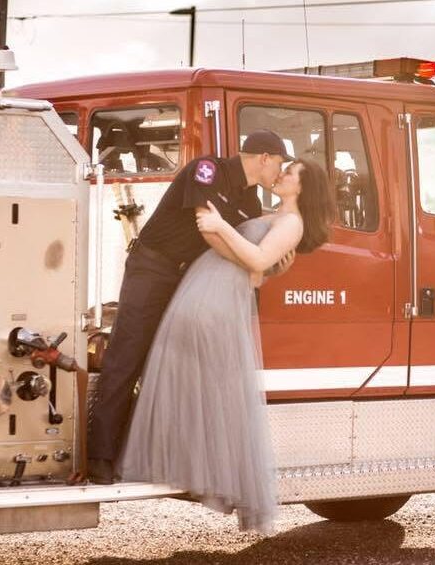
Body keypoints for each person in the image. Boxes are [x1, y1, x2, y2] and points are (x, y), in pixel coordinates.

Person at [117, 158, 335, 533]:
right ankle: (183, 467)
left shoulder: (292, 224)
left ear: (303, 188)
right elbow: (256, 270)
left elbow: (258, 259)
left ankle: (204, 474)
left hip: (215, 301)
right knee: (189, 388)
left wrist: (220, 228)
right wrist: (256, 266)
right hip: (204, 294)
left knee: (210, 396)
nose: (282, 173)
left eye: (291, 172)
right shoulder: (271, 215)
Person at [88, 130, 294, 485]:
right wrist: (254, 263)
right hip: (153, 268)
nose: (279, 171)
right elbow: (210, 232)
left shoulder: (251, 201)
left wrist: (269, 264)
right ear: (264, 157)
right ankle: (99, 456)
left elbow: (242, 248)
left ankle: (150, 457)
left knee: (170, 364)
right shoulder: (208, 170)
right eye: (279, 162)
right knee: (128, 356)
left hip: (188, 279)